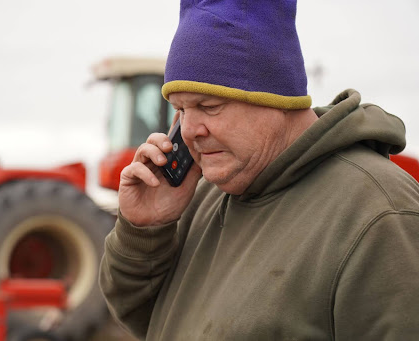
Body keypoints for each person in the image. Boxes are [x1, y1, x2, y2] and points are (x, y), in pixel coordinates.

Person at [100, 0, 419, 340]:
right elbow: (145, 319)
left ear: (276, 97)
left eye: (209, 106)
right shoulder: (203, 192)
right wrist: (146, 230)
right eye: (180, 109)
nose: (189, 130)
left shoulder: (378, 214)